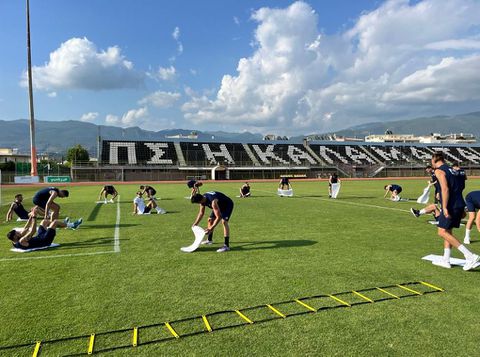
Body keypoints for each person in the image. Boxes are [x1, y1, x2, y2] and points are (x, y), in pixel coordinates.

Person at [431, 152, 479, 270]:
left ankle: (470, 256)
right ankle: (446, 260)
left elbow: (445, 189)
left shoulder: (439, 171)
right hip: (459, 203)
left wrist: (445, 207)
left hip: (451, 205)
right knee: (448, 231)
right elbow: (462, 184)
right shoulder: (456, 170)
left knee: (442, 232)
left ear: (434, 160)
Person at [6, 211, 82, 250]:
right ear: (15, 237)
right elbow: (32, 231)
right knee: (55, 222)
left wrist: (31, 216)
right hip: (45, 241)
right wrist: (34, 218)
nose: (19, 232)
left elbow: (26, 228)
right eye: (17, 233)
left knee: (44, 221)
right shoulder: (22, 240)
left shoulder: (15, 241)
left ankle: (63, 224)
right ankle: (73, 225)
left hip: (40, 237)